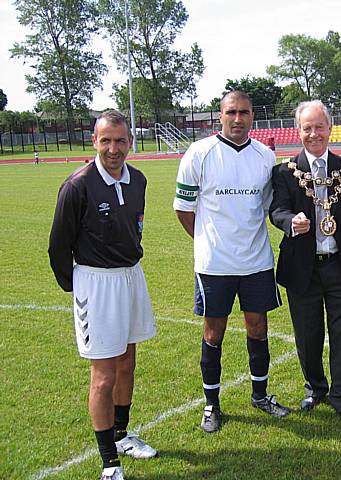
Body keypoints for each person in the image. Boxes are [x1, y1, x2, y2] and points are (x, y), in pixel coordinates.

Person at [48, 110, 157, 480]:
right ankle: (109, 463)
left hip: (131, 278)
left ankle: (124, 436)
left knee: (127, 362)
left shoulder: (138, 180)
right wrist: (79, 287)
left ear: (130, 142)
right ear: (94, 142)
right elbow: (58, 247)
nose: (113, 148)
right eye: (106, 140)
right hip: (96, 283)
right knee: (104, 375)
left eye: (120, 141)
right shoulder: (78, 185)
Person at [173, 90, 290, 435]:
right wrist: (206, 241)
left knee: (258, 327)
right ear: (220, 116)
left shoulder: (265, 157)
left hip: (256, 261)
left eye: (244, 113)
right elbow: (183, 208)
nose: (238, 119)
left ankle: (260, 395)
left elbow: (272, 206)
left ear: (253, 116)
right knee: (214, 331)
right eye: (231, 112)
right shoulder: (200, 153)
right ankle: (212, 404)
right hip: (215, 265)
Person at [270, 100, 341, 425]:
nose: (313, 134)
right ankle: (316, 388)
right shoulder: (285, 172)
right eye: (307, 128)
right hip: (302, 268)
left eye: (319, 127)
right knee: (307, 334)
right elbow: (277, 210)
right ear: (298, 131)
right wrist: (290, 222)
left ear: (330, 129)